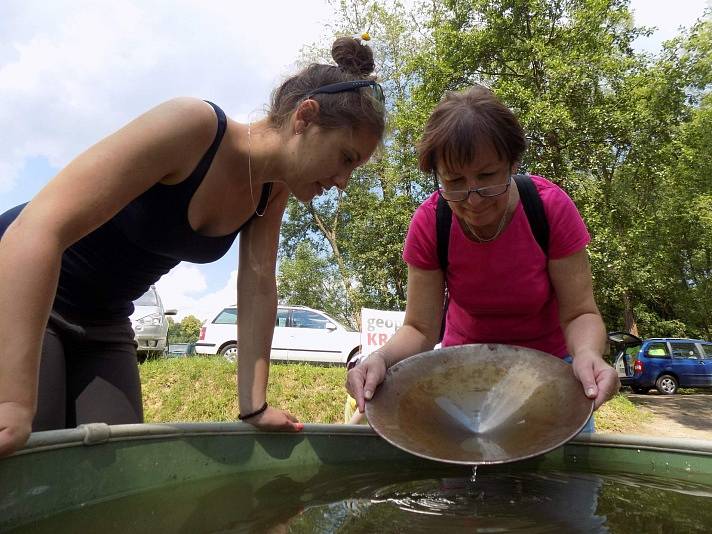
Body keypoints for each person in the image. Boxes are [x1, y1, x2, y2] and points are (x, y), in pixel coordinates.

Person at [0, 35, 386, 457]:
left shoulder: (272, 191)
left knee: (119, 475)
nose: (343, 181)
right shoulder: (192, 128)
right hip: (28, 289)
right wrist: (13, 400)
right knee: (29, 452)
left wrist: (253, 406)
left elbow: (258, 286)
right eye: (346, 158)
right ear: (305, 118)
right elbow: (35, 229)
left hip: (106, 318)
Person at [346, 85, 619, 426]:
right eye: (455, 181)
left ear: (512, 163)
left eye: (488, 177)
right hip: (463, 372)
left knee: (567, 478)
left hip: (551, 371)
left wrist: (588, 354)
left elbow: (580, 313)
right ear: (437, 175)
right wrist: (381, 358)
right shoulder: (431, 222)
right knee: (457, 477)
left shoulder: (549, 208)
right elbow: (419, 328)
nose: (473, 199)